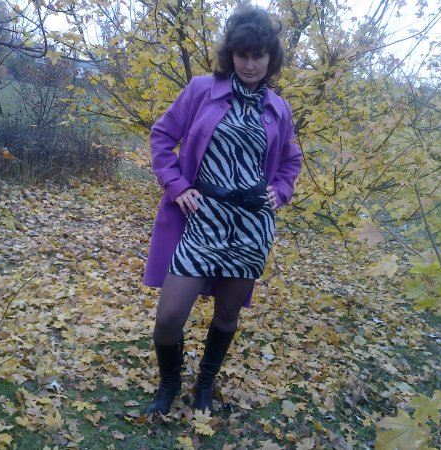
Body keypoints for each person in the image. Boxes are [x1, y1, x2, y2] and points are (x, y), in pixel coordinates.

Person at [142, 5, 302, 415]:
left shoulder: (278, 109)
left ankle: (205, 384)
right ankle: (169, 383)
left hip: (251, 227)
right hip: (202, 221)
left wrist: (281, 191)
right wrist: (176, 185)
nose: (249, 64)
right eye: (242, 55)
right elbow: (162, 137)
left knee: (227, 315)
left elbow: (291, 160)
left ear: (270, 58)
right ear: (230, 55)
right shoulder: (202, 90)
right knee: (169, 317)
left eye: (258, 56)